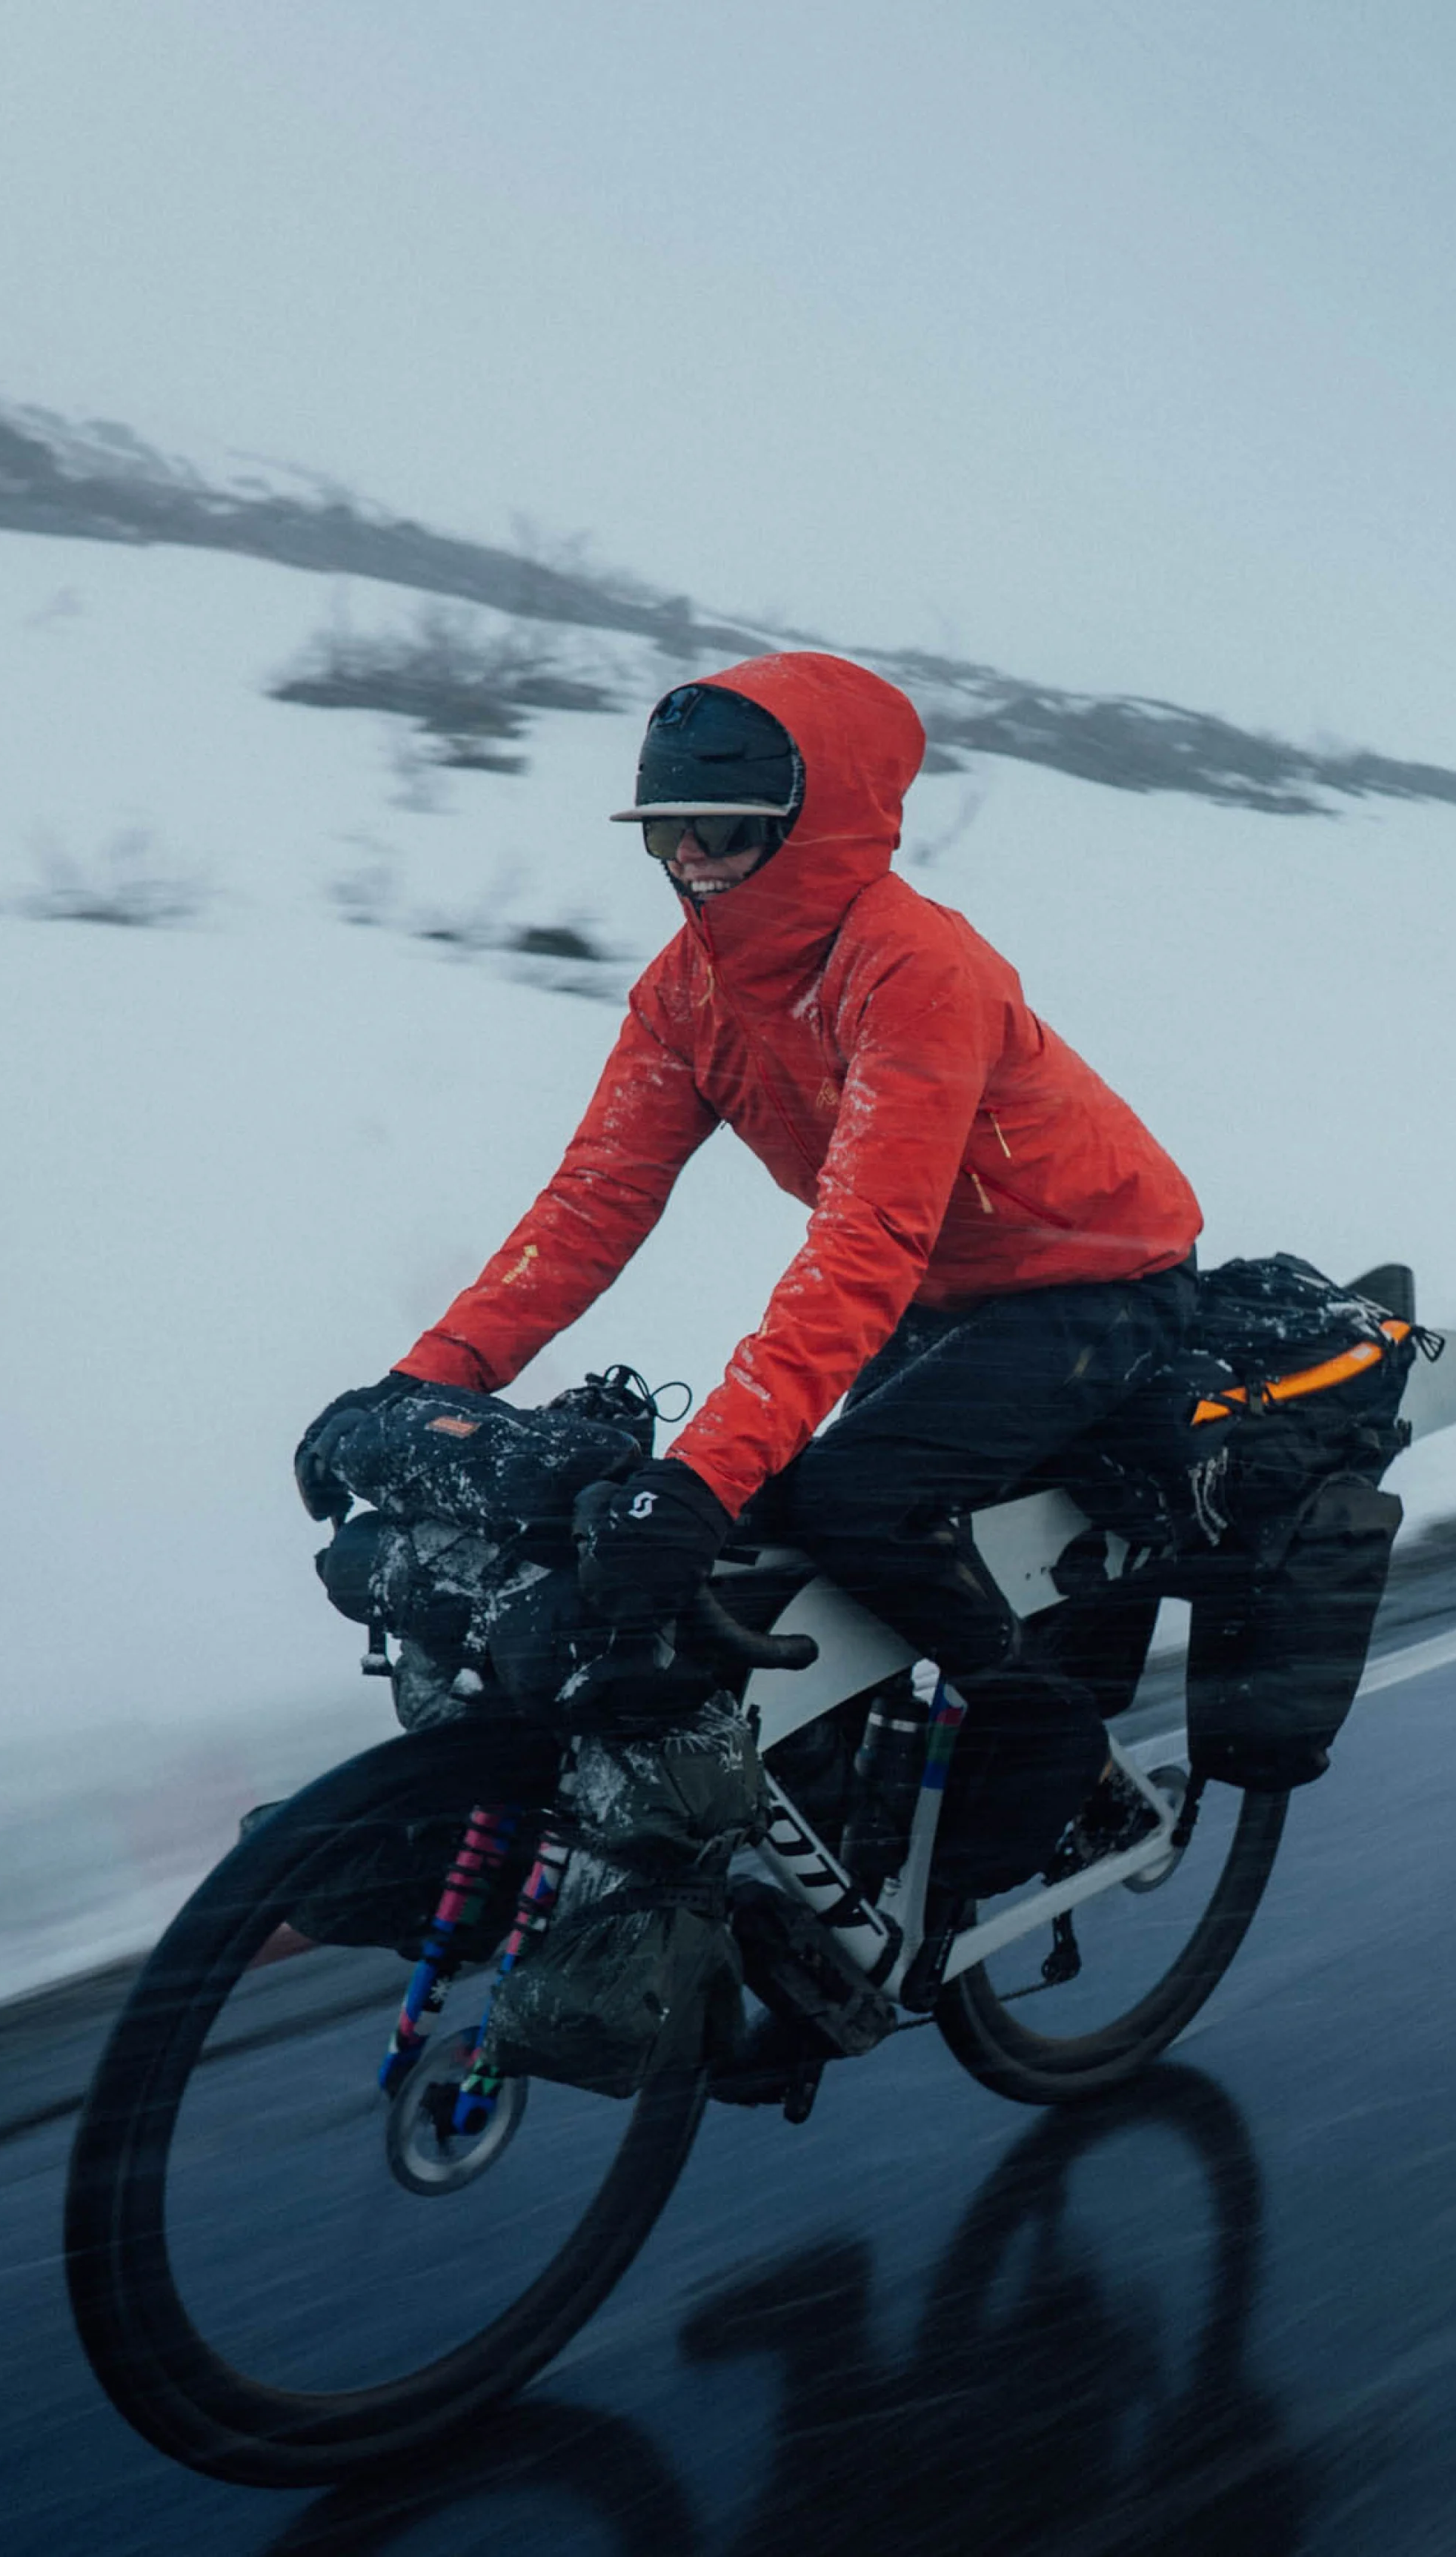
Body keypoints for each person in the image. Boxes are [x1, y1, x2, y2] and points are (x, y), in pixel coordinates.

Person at [298, 652, 1203, 1873]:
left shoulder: (913, 968)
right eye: (662, 831)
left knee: (849, 1500)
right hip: (941, 1295)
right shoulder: (687, 992)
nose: (687, 859)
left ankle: (1057, 1749)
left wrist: (699, 1476)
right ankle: (843, 1805)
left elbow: (864, 1241)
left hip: (1097, 1282)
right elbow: (592, 1202)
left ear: (813, 822)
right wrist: (425, 1380)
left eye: (718, 828)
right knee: (752, 1544)